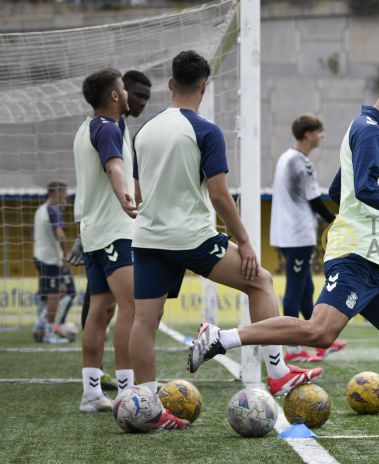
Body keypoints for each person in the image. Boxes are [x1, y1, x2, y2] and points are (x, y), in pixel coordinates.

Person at [189, 59, 379, 446]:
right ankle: (220, 337)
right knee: (319, 332)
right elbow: (362, 188)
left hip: (373, 262)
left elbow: (339, 191)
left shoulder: (371, 129)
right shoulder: (370, 132)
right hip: (354, 256)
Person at [130, 50, 322, 406]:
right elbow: (219, 195)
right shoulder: (206, 131)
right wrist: (245, 241)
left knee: (144, 320)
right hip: (190, 236)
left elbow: (139, 194)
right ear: (204, 87)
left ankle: (142, 402)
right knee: (260, 281)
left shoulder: (143, 131)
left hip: (147, 237)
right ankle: (279, 375)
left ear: (171, 84)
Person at [68, 69, 152, 391]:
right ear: (116, 95)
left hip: (93, 233)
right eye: (125, 90)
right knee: (133, 307)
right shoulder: (107, 129)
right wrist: (125, 198)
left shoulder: (86, 128)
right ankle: (128, 390)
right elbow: (114, 167)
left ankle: (91, 392)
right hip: (115, 232)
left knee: (101, 309)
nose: (131, 96)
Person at [270, 114, 345, 363]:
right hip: (297, 235)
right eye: (319, 131)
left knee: (306, 288)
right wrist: (338, 222)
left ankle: (320, 341)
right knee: (294, 289)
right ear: (307, 134)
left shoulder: (285, 158)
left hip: (285, 234)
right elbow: (315, 203)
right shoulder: (302, 162)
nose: (322, 135)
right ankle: (292, 349)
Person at [32, 179, 76, 343]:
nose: (66, 196)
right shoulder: (52, 210)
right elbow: (61, 235)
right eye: (63, 192)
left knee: (63, 291)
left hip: (40, 256)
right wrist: (65, 256)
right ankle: (49, 333)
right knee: (55, 295)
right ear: (54, 193)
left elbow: (33, 235)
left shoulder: (40, 210)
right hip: (50, 259)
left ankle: (41, 323)